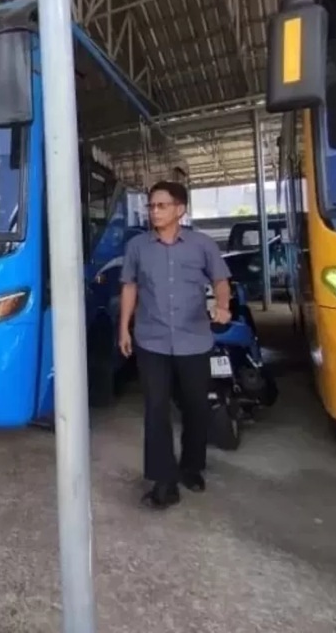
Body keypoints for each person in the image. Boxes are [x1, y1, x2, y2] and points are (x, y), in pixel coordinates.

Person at [117, 181, 231, 510]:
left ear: (180, 209)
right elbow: (130, 287)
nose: (154, 211)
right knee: (155, 410)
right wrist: (124, 328)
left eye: (162, 206)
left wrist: (222, 305)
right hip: (151, 340)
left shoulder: (202, 245)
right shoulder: (138, 247)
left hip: (193, 340)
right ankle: (162, 481)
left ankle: (192, 467)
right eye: (151, 206)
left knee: (195, 407)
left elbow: (221, 280)